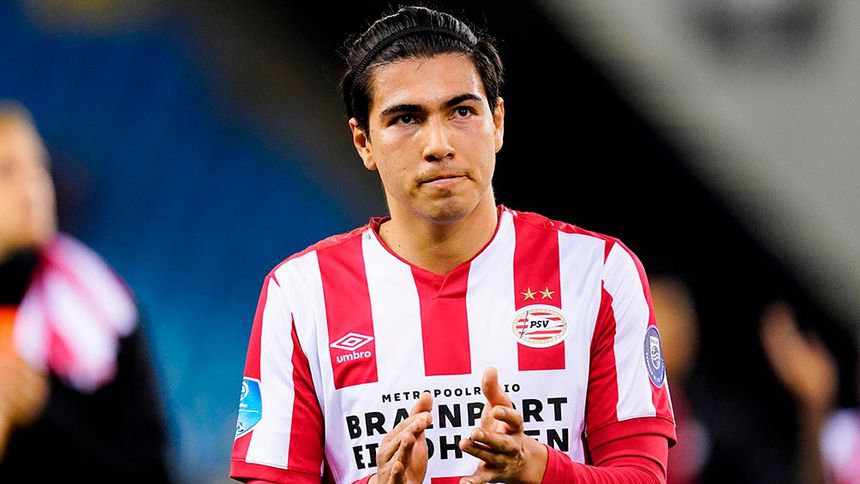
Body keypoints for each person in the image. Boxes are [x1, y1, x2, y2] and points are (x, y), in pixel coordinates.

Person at [230, 5, 676, 483]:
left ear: (497, 121)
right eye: (406, 118)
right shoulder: (301, 294)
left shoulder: (599, 272)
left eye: (462, 111)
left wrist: (536, 467)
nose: (439, 144)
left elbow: (643, 475)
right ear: (363, 143)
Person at [0, 101, 171, 481]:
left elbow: (152, 470)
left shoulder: (106, 311)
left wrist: (41, 415)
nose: (32, 187)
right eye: (7, 171)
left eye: (38, 165)